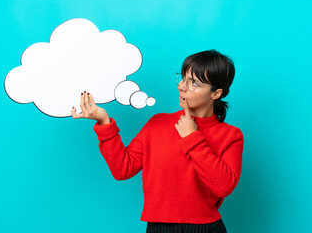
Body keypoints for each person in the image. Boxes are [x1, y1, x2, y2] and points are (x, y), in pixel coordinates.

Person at [71, 50, 244, 233]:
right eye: (183, 78)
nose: (182, 87)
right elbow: (123, 169)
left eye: (194, 83)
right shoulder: (158, 124)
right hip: (158, 228)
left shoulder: (231, 136)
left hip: (207, 228)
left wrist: (192, 138)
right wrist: (104, 122)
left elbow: (223, 186)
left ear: (216, 93)